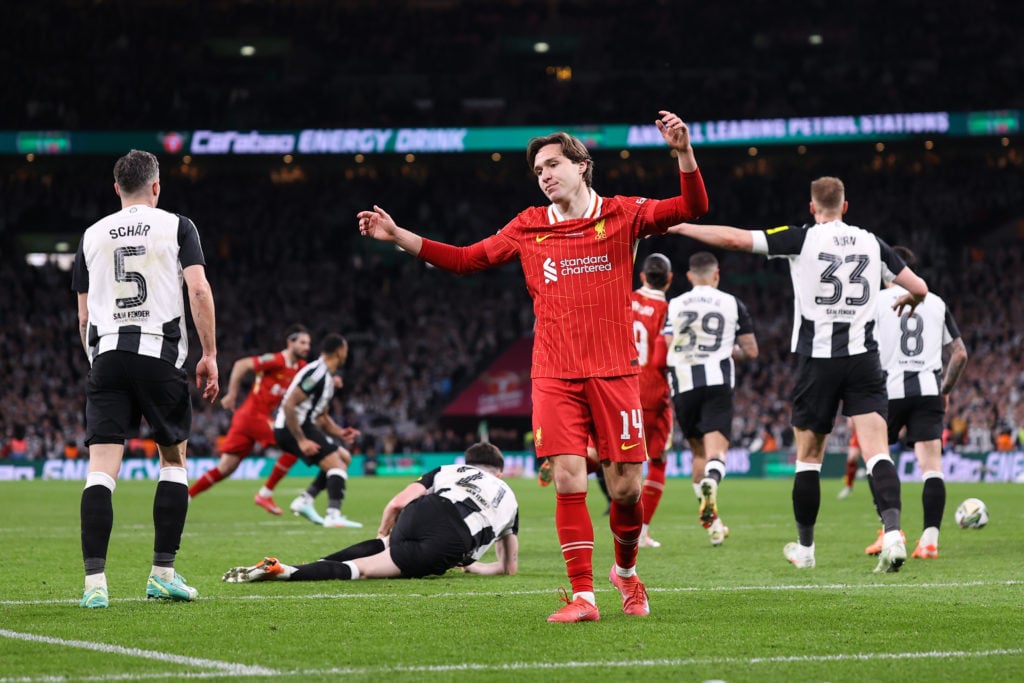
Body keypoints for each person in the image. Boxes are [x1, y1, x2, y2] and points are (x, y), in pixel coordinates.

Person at [357, 110, 708, 622]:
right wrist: (399, 236)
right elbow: (463, 259)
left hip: (614, 371)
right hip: (554, 373)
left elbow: (693, 207)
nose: (543, 175)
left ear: (581, 165)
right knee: (568, 479)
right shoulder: (528, 226)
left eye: (552, 164)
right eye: (537, 170)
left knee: (627, 488)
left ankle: (626, 574)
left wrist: (683, 153)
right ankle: (584, 596)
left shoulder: (622, 214)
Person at [670, 176, 928, 572]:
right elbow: (921, 287)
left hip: (818, 362)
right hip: (864, 360)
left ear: (812, 208)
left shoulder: (801, 239)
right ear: (845, 206)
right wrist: (910, 297)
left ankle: (806, 549)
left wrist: (684, 225)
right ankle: (893, 534)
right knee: (877, 451)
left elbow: (737, 240)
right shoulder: (872, 242)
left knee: (809, 458)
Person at [71, 149, 218, 608]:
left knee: (100, 473)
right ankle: (162, 573)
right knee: (173, 462)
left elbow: (81, 317)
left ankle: (95, 585)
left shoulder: (92, 235)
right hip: (160, 355)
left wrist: (98, 362)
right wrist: (210, 352)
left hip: (108, 356)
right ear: (156, 186)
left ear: (117, 188)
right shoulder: (178, 225)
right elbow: (197, 287)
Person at [221, 442, 518, 582]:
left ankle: (303, 565)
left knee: (384, 547)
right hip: (453, 540)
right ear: (500, 474)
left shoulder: (451, 469)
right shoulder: (511, 501)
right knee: (363, 570)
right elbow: (508, 568)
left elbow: (397, 504)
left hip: (422, 511)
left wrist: (382, 534)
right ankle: (285, 572)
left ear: (467, 462)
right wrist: (473, 566)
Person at [864, 246, 968, 559]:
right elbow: (960, 353)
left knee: (876, 459)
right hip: (927, 391)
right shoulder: (936, 302)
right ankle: (930, 541)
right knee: (932, 469)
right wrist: (945, 389)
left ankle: (889, 530)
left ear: (888, 272)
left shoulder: (876, 302)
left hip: (888, 390)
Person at [662, 251, 758, 546]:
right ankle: (711, 483)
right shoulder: (732, 303)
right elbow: (751, 351)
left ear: (690, 276)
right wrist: (730, 351)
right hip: (717, 382)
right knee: (716, 454)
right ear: (716, 274)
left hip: (683, 383)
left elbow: (667, 342)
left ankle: (714, 525)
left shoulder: (675, 304)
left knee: (698, 454)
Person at [188, 325, 311, 513]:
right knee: (295, 445)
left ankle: (186, 496)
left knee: (226, 468)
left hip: (246, 419)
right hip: (253, 416)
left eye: (308, 343)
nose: (307, 347)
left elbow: (313, 380)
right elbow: (241, 364)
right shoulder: (276, 360)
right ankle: (265, 493)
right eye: (302, 342)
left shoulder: (300, 368)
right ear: (290, 342)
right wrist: (231, 394)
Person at [273, 333, 362, 528]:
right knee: (337, 466)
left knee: (344, 458)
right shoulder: (317, 373)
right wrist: (302, 440)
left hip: (305, 424)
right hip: (290, 427)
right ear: (339, 351)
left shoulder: (328, 378)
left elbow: (321, 417)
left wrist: (340, 433)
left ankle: (305, 500)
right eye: (345, 349)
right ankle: (333, 515)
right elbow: (289, 405)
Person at [630, 253, 675, 548]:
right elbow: (665, 356)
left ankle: (576, 464)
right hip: (654, 393)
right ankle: (641, 532)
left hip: (621, 389)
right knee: (656, 462)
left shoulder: (622, 300)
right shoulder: (670, 310)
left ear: (643, 276)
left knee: (618, 458)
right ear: (669, 279)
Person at [838, 418, 860, 500]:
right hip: (858, 431)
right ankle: (849, 486)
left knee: (873, 460)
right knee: (852, 458)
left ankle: (880, 490)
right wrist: (850, 418)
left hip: (872, 428)